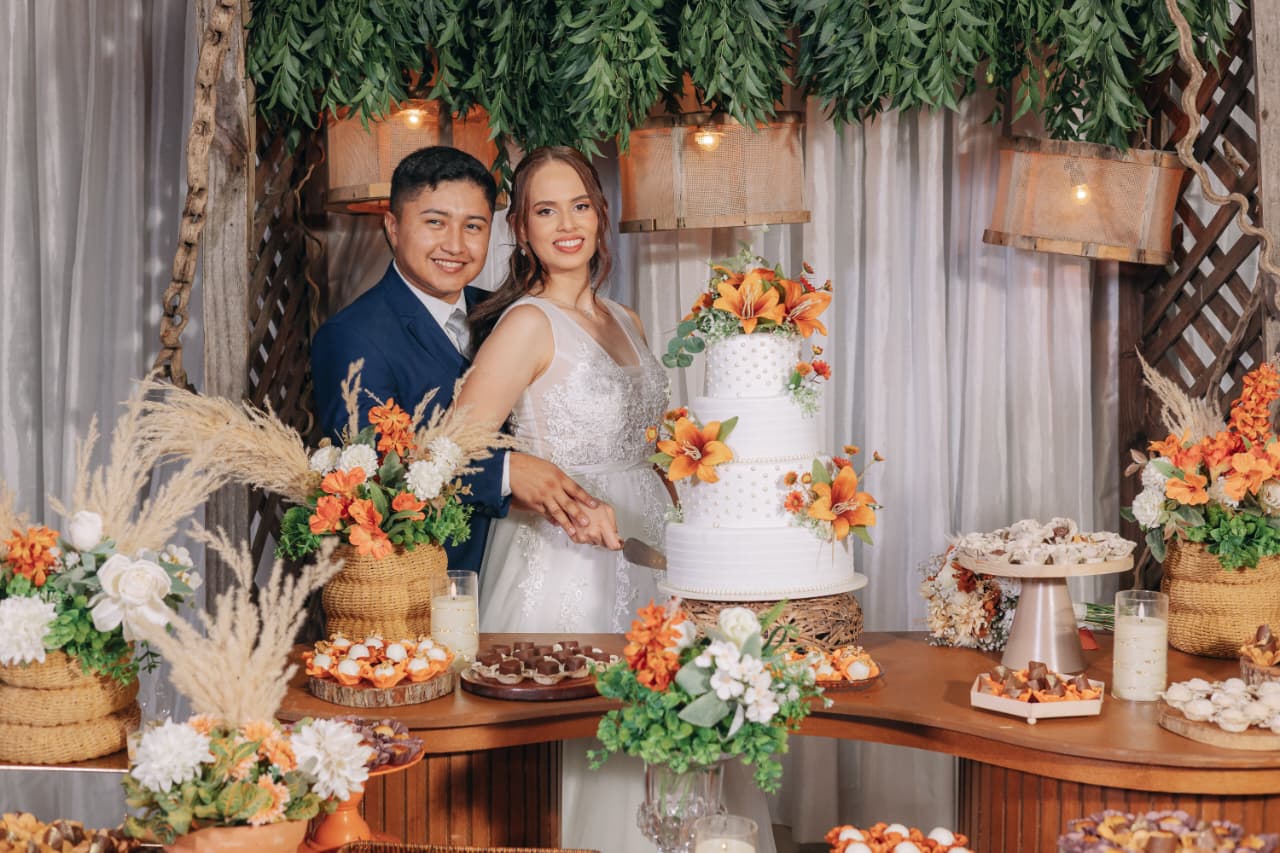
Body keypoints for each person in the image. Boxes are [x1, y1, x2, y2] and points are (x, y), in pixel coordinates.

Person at [310, 146, 610, 572]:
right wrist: (506, 472)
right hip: (425, 577)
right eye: (435, 222)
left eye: (473, 226)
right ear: (393, 227)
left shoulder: (505, 313)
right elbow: (369, 471)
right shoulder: (353, 336)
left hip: (531, 559)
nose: (454, 245)